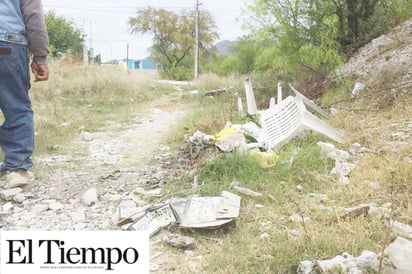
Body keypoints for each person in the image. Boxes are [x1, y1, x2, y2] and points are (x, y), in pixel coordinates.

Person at [0, 0, 49, 189]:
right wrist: (40, 56)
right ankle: (17, 169)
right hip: (6, 46)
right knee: (16, 107)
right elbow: (33, 15)